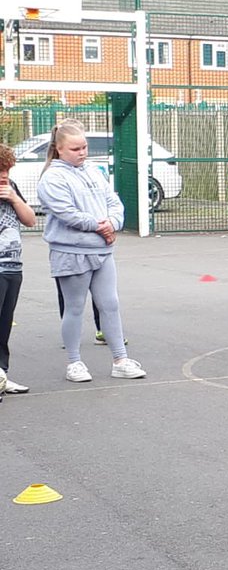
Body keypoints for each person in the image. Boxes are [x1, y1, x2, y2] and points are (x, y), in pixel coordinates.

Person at [37, 122, 146, 382]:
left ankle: (120, 359)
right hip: (70, 252)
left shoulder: (94, 172)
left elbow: (113, 201)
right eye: (75, 149)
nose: (82, 152)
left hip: (102, 252)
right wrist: (100, 227)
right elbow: (67, 213)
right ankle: (74, 362)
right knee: (74, 308)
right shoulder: (52, 177)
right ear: (59, 149)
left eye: (84, 147)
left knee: (110, 304)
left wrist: (113, 222)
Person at [0, 143, 37, 394]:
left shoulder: (10, 188)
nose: (4, 176)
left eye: (7, 170)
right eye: (0, 171)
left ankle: (2, 374)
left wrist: (13, 198)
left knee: (4, 325)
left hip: (13, 266)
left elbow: (30, 219)